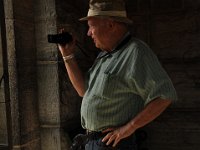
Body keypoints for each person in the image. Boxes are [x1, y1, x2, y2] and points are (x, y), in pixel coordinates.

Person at [58, 0, 177, 149]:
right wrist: (67, 56)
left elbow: (165, 95)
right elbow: (83, 90)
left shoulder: (136, 51)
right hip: (93, 142)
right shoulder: (104, 55)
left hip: (115, 144)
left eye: (91, 26)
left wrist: (127, 129)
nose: (88, 33)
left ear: (110, 24)